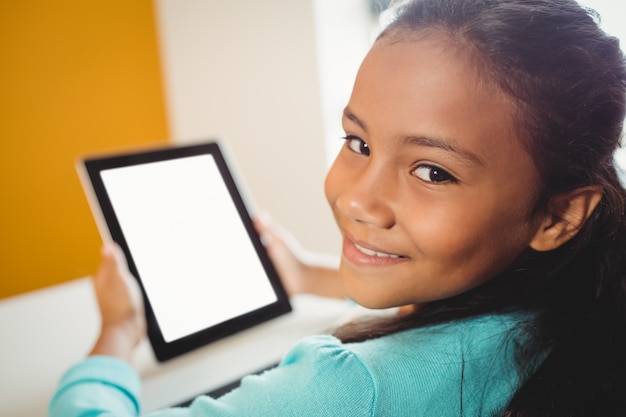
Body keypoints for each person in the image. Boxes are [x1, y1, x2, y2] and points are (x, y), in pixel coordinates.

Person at [49, 0, 626, 415]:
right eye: (359, 142)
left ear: (558, 217)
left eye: (432, 171)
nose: (354, 198)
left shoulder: (347, 389)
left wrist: (115, 339)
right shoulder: (574, 299)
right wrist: (309, 276)